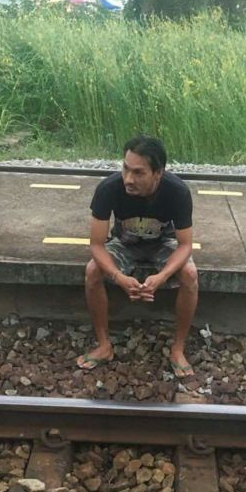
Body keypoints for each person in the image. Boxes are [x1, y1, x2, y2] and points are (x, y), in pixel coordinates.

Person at [77, 135, 198, 378]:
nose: (128, 179)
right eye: (125, 168)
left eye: (139, 173)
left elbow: (185, 245)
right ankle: (104, 345)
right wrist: (117, 276)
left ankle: (177, 349)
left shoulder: (177, 191)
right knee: (92, 272)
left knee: (190, 275)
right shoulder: (108, 189)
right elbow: (97, 245)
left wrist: (163, 276)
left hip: (163, 243)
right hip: (125, 243)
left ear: (158, 173)